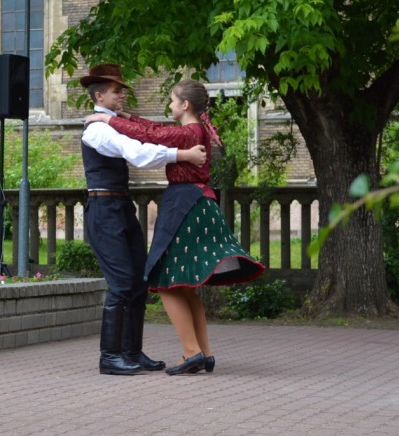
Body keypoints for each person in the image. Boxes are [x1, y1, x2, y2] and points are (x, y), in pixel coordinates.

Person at [88, 77, 265, 375]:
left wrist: (110, 119)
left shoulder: (188, 132)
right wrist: (126, 116)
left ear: (184, 105)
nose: (168, 105)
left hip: (184, 203)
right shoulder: (196, 129)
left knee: (165, 282)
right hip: (197, 201)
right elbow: (156, 129)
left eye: (171, 101)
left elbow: (151, 134)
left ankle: (191, 353)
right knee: (183, 286)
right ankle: (203, 353)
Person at [80, 64, 207, 375]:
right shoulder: (97, 129)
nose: (122, 95)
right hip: (103, 210)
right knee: (122, 283)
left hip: (121, 207)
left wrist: (123, 118)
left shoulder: (112, 123)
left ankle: (132, 352)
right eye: (116, 91)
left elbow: (150, 132)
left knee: (138, 281)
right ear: (99, 96)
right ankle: (110, 356)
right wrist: (182, 155)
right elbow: (137, 153)